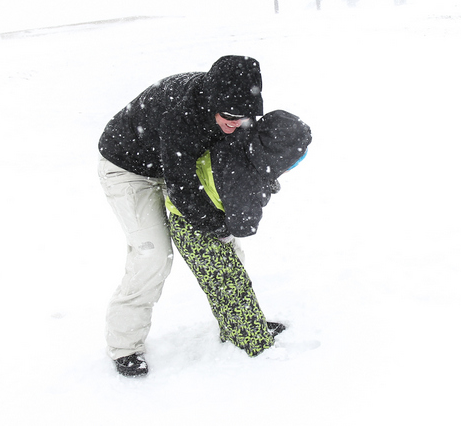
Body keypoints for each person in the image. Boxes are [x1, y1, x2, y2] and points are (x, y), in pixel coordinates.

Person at [98, 55, 264, 377]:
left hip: (177, 163)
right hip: (129, 168)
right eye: (228, 117)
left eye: (243, 118)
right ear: (213, 102)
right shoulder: (183, 113)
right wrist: (217, 224)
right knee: (154, 255)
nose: (235, 124)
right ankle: (124, 347)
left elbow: (243, 161)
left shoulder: (238, 108)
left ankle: (243, 323)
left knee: (224, 248)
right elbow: (182, 186)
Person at [165, 110, 312, 358]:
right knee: (230, 287)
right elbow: (244, 224)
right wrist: (263, 187)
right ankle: (254, 344)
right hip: (195, 227)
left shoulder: (242, 141)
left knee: (228, 280)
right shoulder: (246, 182)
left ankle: (241, 329)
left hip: (194, 215)